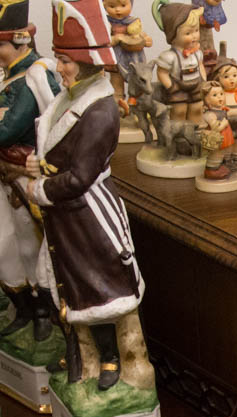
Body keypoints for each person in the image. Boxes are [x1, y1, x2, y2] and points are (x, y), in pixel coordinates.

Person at [26, 0, 154, 396]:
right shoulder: (72, 96)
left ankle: (117, 361)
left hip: (90, 214)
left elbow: (80, 176)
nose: (60, 68)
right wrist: (40, 163)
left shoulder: (100, 110)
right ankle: (86, 359)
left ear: (87, 62)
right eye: (58, 58)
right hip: (67, 215)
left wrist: (40, 189)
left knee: (105, 288)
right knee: (75, 287)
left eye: (65, 60)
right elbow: (56, 149)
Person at [0, 0, 59, 342]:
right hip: (6, 172)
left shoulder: (32, 75)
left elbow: (9, 128)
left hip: (25, 174)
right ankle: (20, 307)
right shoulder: (8, 75)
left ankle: (41, 313)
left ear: (20, 42)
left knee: (29, 246)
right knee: (6, 246)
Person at [155, 2, 205, 124]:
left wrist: (203, 80)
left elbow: (200, 66)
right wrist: (171, 87)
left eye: (196, 30)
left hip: (196, 86)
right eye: (188, 33)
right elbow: (162, 72)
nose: (194, 36)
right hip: (178, 90)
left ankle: (195, 132)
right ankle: (178, 135)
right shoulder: (169, 57)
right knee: (179, 111)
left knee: (197, 109)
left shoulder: (197, 53)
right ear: (172, 35)